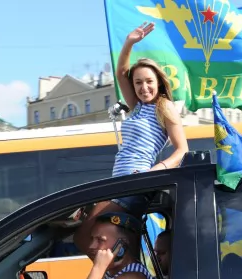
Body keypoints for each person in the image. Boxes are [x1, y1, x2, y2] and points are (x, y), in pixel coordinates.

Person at [73, 21, 189, 256]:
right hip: (121, 181)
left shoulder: (164, 106)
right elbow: (120, 73)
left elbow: (182, 149)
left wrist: (155, 171)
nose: (143, 87)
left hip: (135, 182)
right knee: (120, 244)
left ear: (158, 82)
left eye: (148, 81)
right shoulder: (137, 107)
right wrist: (129, 43)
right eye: (138, 82)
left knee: (87, 235)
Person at [72, 212, 161, 279]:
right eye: (92, 239)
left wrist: (98, 268)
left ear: (121, 245)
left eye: (100, 240)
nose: (91, 246)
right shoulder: (111, 270)